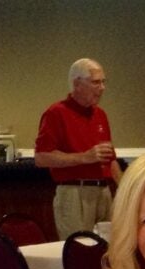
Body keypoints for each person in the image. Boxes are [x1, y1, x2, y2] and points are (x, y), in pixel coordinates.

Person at [35, 57, 123, 239]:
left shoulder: (100, 115)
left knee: (109, 249)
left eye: (103, 82)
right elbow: (42, 157)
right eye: (96, 82)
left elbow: (110, 158)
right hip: (75, 192)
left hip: (104, 191)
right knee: (80, 250)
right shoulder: (56, 113)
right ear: (77, 84)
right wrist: (85, 157)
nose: (102, 88)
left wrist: (125, 188)